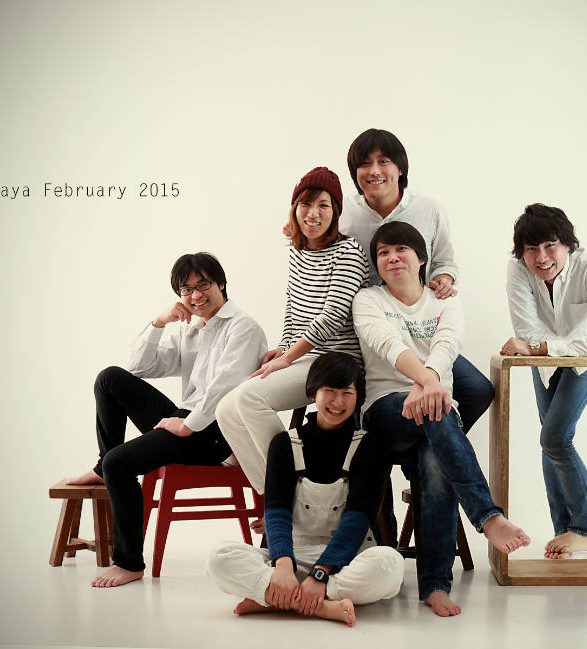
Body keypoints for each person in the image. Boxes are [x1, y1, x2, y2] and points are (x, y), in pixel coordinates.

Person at [353, 221, 530, 617]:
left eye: (400, 249)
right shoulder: (368, 299)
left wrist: (430, 382)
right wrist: (428, 382)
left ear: (421, 259)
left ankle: (435, 585)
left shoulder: (445, 302)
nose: (392, 258)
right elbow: (386, 344)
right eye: (383, 253)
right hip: (387, 410)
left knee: (436, 461)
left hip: (436, 407)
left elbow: (448, 344)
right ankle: (488, 517)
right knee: (439, 409)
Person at [66, 252, 267, 588]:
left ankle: (128, 563)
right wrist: (159, 323)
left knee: (120, 464)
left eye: (203, 285)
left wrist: (187, 425)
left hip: (216, 432)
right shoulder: (192, 329)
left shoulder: (243, 327)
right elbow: (140, 367)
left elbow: (225, 388)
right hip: (186, 419)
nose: (195, 295)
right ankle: (103, 464)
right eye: (186, 290)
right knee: (110, 378)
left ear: (221, 284)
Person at [283, 129, 494, 433]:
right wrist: (297, 226)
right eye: (364, 164)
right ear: (355, 173)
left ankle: (427, 450)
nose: (374, 171)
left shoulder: (429, 208)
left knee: (477, 388)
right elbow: (314, 231)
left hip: (418, 327)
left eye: (383, 161)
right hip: (365, 327)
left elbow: (445, 261)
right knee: (360, 393)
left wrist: (443, 279)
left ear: (400, 168)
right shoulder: (345, 212)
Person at [207, 352, 404, 627]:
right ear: (313, 393)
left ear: (358, 397)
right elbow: (276, 513)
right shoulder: (284, 444)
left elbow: (358, 520)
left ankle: (275, 598)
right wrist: (283, 566)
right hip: (294, 555)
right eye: (329, 391)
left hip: (348, 560)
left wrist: (320, 575)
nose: (338, 402)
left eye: (347, 393)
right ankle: (322, 605)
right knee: (218, 558)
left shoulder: (370, 446)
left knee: (391, 564)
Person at [218, 166, 370, 493]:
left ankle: (294, 485)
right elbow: (293, 308)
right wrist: (285, 348)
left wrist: (288, 358)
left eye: (323, 205)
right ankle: (278, 499)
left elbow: (332, 317)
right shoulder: (299, 252)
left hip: (337, 361)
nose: (313, 213)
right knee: (225, 410)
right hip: (304, 357)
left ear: (336, 212)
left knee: (249, 398)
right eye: (306, 204)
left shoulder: (348, 252)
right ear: (294, 208)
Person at [501, 204, 587, 560]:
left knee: (554, 438)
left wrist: (542, 346)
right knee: (549, 441)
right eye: (531, 249)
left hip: (586, 360)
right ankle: (564, 529)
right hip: (545, 363)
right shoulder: (517, 269)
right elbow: (526, 331)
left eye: (550, 245)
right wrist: (540, 347)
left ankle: (585, 530)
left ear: (568, 243)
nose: (541, 257)